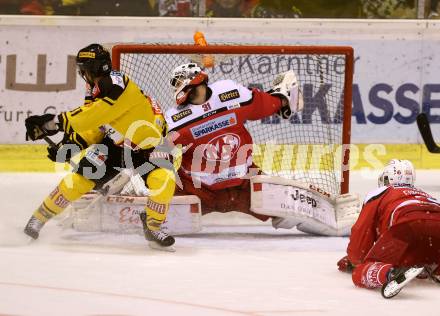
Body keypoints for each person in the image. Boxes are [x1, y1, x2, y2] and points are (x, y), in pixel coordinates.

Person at [24, 43, 177, 250]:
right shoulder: (97, 89)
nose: (83, 75)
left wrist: (51, 124)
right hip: (116, 144)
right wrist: (69, 146)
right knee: (78, 181)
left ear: (90, 70)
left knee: (164, 180)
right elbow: (95, 127)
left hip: (149, 147)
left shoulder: (118, 87)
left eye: (83, 70)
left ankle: (153, 226)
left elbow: (93, 116)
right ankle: (38, 219)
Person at [163, 62, 303, 226]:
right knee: (158, 214)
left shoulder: (229, 92)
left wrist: (281, 101)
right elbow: (159, 150)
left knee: (292, 213)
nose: (177, 88)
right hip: (197, 190)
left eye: (179, 82)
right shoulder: (174, 119)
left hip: (243, 184)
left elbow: (260, 106)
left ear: (194, 81)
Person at [337, 159, 440, 297]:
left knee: (360, 272)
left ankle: (390, 273)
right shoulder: (426, 195)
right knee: (426, 255)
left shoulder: (380, 192)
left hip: (406, 229)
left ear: (387, 178)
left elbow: (361, 234)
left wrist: (355, 260)